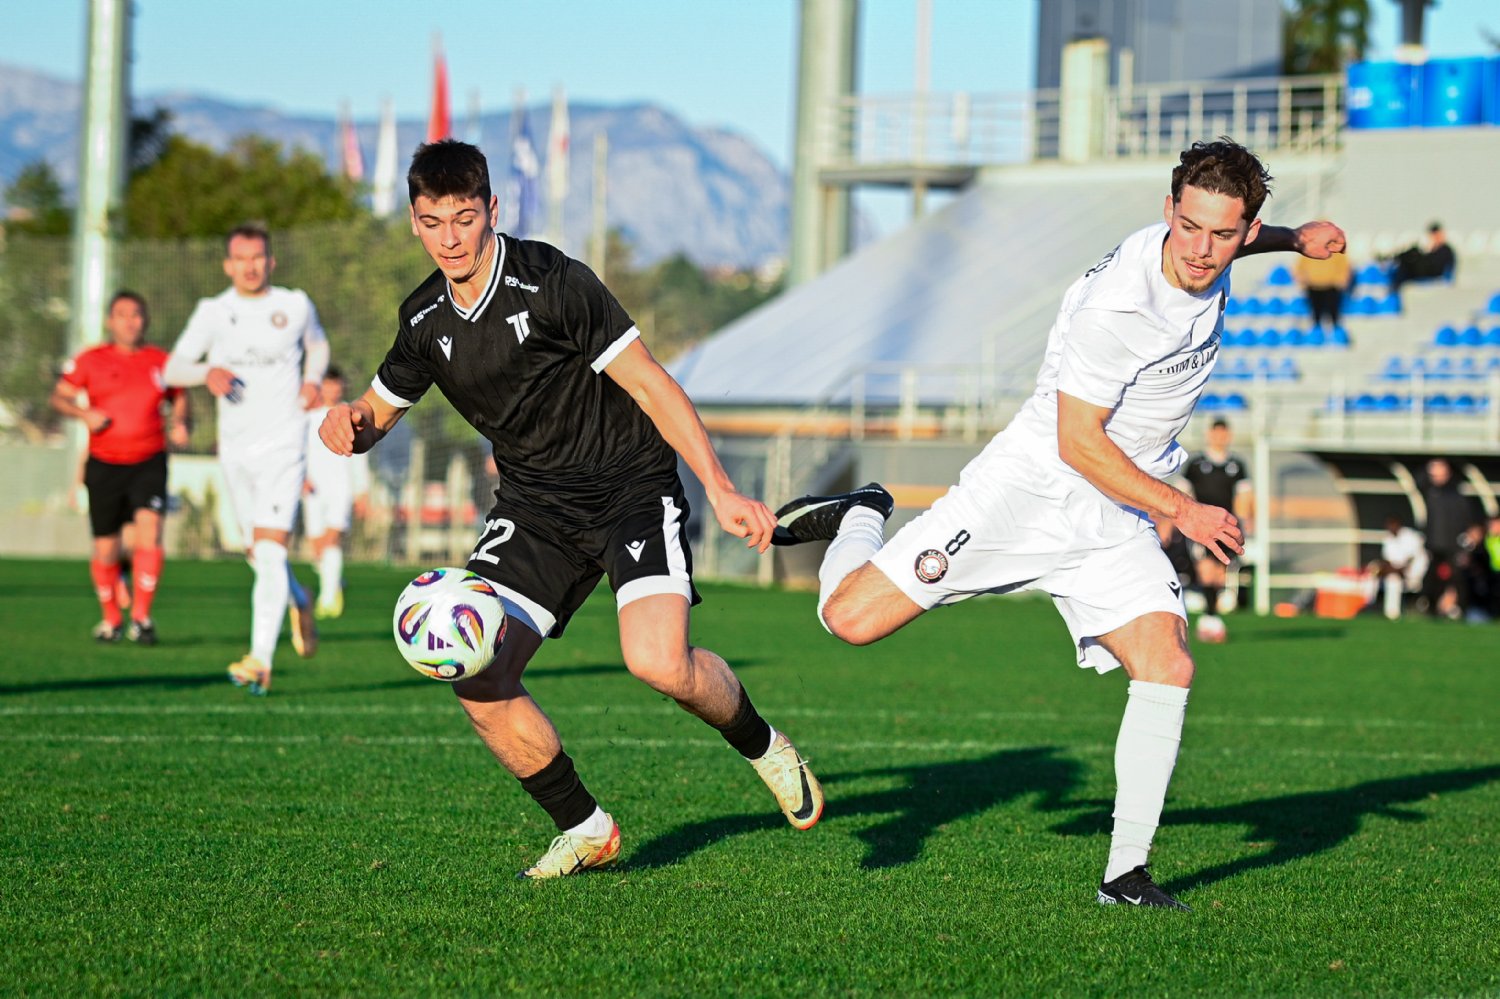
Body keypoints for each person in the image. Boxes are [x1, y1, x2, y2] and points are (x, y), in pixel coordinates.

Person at [771, 139, 1345, 910]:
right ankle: (864, 511)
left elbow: (1238, 242)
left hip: (1114, 509)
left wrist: (1296, 237)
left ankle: (1125, 874)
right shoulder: (1124, 308)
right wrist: (1181, 508)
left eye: (1223, 233)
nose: (1202, 250)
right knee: (849, 619)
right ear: (1167, 211)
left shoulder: (1216, 247)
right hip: (1031, 489)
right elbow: (1079, 442)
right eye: (1189, 228)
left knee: (1168, 664)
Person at [319, 139, 823, 879]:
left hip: (630, 489)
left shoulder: (553, 281)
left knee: (659, 663)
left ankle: (764, 745)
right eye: (432, 222)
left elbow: (650, 382)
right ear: (415, 222)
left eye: (464, 218)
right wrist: (348, 422)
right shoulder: (423, 319)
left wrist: (718, 487)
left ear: (492, 209)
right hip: (534, 509)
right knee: (478, 676)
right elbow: (375, 413)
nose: (450, 238)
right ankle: (586, 827)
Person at [166, 223, 326, 693]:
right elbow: (172, 368)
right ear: (228, 265)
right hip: (236, 450)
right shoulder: (214, 312)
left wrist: (312, 379)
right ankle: (300, 599)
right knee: (258, 556)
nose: (250, 266)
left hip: (285, 444)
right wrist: (206, 372)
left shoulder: (294, 305)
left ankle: (259, 659)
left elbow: (318, 345)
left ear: (270, 261)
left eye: (257, 257)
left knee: (272, 549)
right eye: (241, 259)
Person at [52, 290, 189, 644]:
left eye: (137, 315)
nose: (131, 322)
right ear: (110, 321)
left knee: (150, 532)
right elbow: (60, 396)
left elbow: (179, 396)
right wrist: (84, 413)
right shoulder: (90, 359)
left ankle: (141, 617)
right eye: (123, 315)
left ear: (146, 320)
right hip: (105, 464)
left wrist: (180, 422)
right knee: (107, 548)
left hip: (149, 461)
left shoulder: (161, 361)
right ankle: (111, 619)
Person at [302, 365, 369, 618]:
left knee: (331, 540)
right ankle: (334, 581)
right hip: (313, 490)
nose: (332, 388)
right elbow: (298, 451)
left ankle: (328, 599)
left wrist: (361, 491)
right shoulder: (307, 418)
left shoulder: (348, 415)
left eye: (336, 384)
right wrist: (301, 479)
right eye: (328, 384)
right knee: (317, 546)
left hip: (340, 488)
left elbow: (360, 456)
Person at [1181, 418, 1254, 641]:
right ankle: (1209, 617)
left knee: (1220, 572)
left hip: (1226, 525)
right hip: (1201, 526)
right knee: (1205, 569)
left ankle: (1211, 617)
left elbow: (1244, 496)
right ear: (1209, 435)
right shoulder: (1196, 464)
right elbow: (1184, 493)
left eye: (1224, 433)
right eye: (1216, 433)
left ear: (1228, 436)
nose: (1220, 438)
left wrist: (1247, 521)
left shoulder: (1236, 465)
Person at [1417, 458, 1477, 620]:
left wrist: (1465, 543)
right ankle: (1431, 606)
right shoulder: (1430, 492)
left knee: (1457, 578)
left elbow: (1467, 521)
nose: (1437, 477)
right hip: (1434, 544)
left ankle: (1460, 608)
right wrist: (1430, 468)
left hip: (1453, 545)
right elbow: (1419, 481)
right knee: (1432, 578)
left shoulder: (1457, 496)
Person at [1363, 515, 1427, 620]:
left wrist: (1392, 570)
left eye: (1392, 525)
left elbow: (1409, 562)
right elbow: (1388, 560)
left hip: (1413, 573)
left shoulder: (1410, 536)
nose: (1390, 528)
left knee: (1392, 580)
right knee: (1373, 571)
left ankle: (1392, 614)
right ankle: (1369, 604)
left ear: (1398, 524)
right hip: (1396, 571)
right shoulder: (1388, 538)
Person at [1388, 222, 1456, 300]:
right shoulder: (1433, 249)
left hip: (1432, 275)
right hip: (1427, 272)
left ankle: (1392, 291)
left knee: (1410, 259)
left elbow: (1443, 269)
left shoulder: (1446, 250)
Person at [1292, 249, 1352, 332]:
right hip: (1312, 287)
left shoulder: (1336, 252)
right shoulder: (1308, 251)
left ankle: (1335, 331)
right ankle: (1317, 332)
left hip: (1332, 288)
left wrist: (1342, 279)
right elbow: (1299, 267)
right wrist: (1302, 280)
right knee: (1315, 313)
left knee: (1334, 313)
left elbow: (1344, 267)